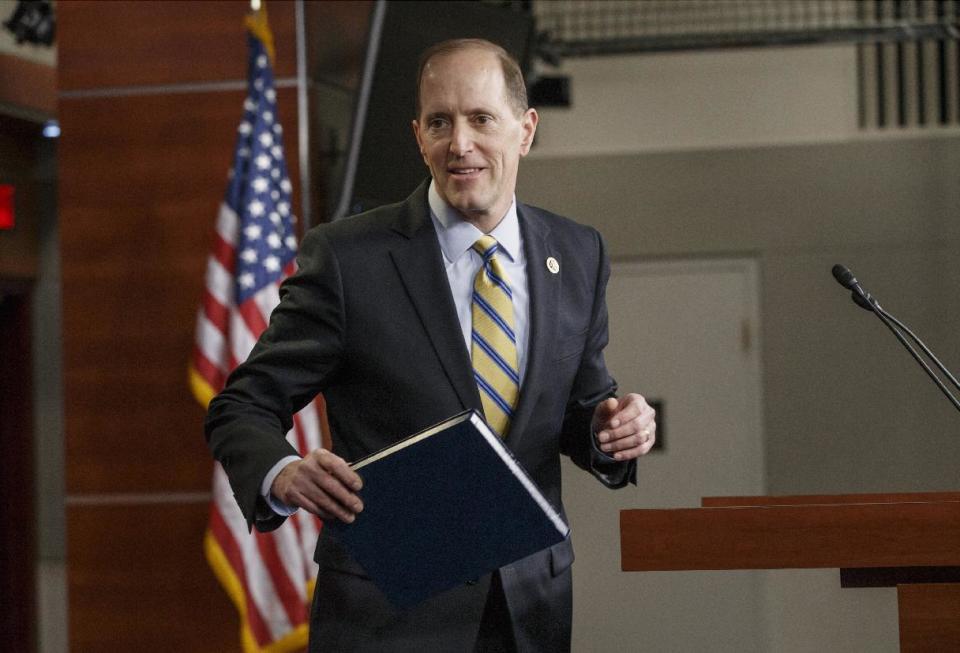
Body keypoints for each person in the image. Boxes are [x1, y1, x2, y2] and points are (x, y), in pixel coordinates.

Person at [205, 38, 656, 652]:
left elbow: (581, 409)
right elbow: (242, 405)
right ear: (419, 136)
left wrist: (613, 429)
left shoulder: (579, 253)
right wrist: (281, 472)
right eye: (440, 122)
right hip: (387, 611)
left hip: (530, 611)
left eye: (480, 119)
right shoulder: (348, 259)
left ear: (525, 130)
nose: (459, 143)